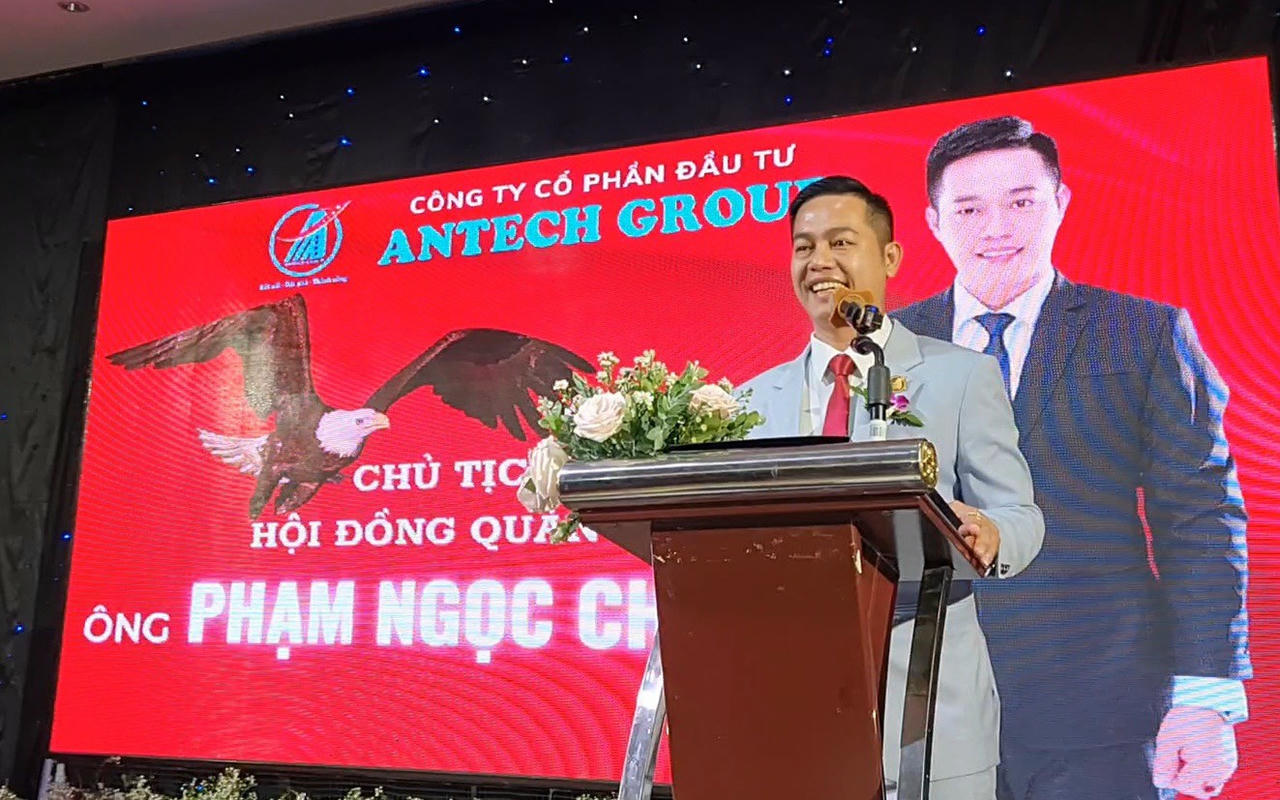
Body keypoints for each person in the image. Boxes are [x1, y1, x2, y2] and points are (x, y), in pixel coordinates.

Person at [894, 116, 1251, 800]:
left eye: (1021, 201)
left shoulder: (1142, 332)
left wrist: (1206, 695)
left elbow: (1199, 516)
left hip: (1102, 713)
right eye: (969, 209)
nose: (996, 228)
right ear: (934, 222)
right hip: (930, 714)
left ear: (1060, 202)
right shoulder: (888, 350)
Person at [740, 175, 1045, 799]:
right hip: (792, 704)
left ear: (890, 257)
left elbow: (1020, 511)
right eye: (803, 247)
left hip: (928, 700)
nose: (819, 262)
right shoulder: (750, 400)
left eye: (840, 242)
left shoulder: (961, 375)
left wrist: (992, 532)